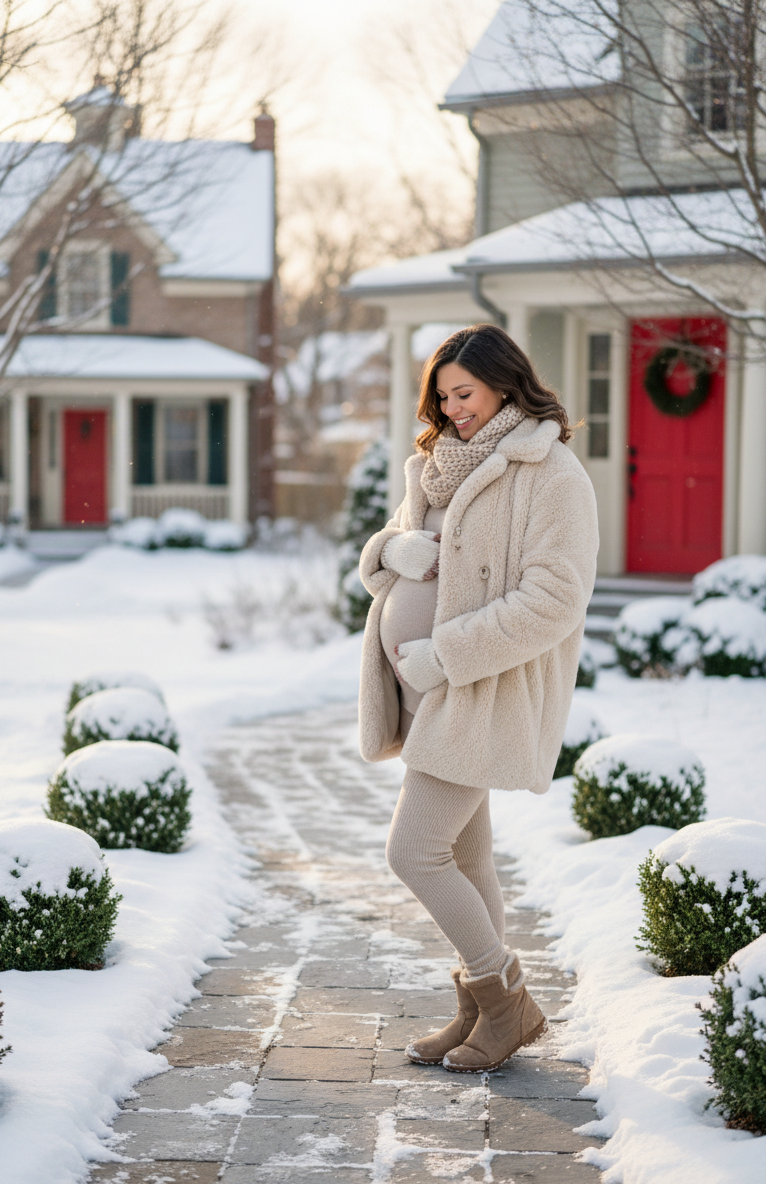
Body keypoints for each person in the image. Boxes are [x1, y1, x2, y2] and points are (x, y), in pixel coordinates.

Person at [357, 323, 599, 1073]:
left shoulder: (552, 474)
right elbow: (393, 551)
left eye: (463, 393)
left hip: (481, 690)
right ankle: (476, 1016)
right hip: (429, 695)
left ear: (503, 383)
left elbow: (555, 599)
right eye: (441, 396)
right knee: (466, 855)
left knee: (414, 851)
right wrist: (392, 550)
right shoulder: (431, 468)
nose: (451, 408)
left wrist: (446, 657)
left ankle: (507, 1003)